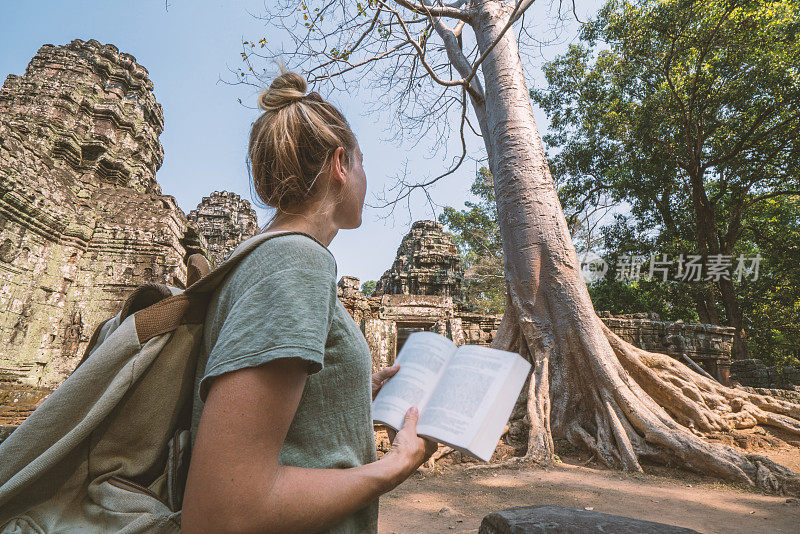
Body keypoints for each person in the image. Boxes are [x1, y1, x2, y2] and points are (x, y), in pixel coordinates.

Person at [181, 66, 438, 534]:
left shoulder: (262, 258)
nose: (365, 177)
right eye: (363, 162)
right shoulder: (297, 263)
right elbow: (221, 513)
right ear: (341, 164)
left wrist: (356, 388)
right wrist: (394, 466)